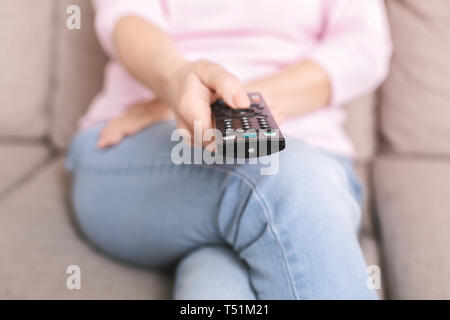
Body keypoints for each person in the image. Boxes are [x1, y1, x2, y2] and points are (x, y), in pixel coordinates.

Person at [66, 0, 392, 299]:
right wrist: (177, 83)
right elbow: (127, 17)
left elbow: (364, 46)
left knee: (214, 290)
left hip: (314, 159)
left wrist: (218, 105)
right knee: (285, 174)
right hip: (141, 146)